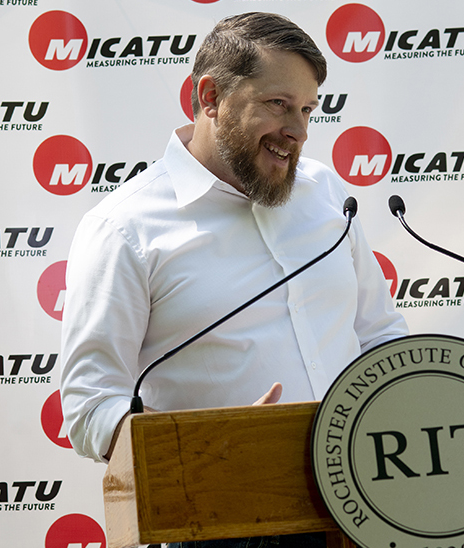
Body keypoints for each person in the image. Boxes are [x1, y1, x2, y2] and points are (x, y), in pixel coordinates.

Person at [59, 12, 409, 547]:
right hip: (221, 523)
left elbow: (379, 337)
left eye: (308, 110)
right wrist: (195, 445)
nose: (298, 131)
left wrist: (461, 387)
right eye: (278, 105)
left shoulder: (327, 193)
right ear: (210, 96)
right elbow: (89, 404)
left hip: (366, 506)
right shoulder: (123, 228)